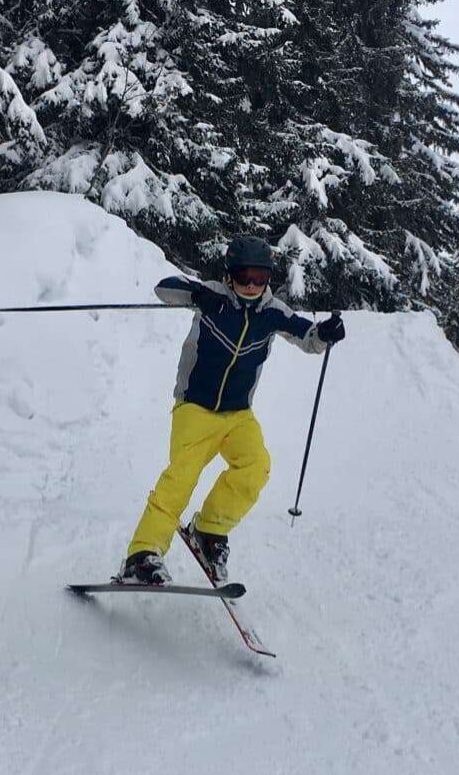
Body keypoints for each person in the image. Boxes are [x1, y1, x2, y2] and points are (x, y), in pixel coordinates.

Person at [119, 236, 345, 586]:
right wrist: (199, 295)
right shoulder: (214, 298)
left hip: (238, 414)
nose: (252, 286)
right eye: (244, 277)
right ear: (229, 276)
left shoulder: (273, 312)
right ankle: (142, 554)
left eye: (260, 278)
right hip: (195, 406)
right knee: (181, 476)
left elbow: (308, 337)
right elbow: (164, 289)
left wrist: (326, 333)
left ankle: (209, 530)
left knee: (255, 467)